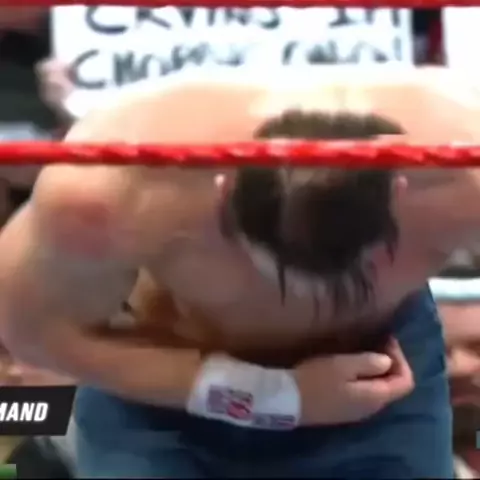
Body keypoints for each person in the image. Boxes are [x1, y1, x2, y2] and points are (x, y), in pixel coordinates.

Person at [0, 66, 472, 477]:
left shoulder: (464, 169)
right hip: (167, 388)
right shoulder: (111, 190)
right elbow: (33, 334)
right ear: (222, 190)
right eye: (274, 274)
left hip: (381, 376)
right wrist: (272, 397)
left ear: (399, 191)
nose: (305, 302)